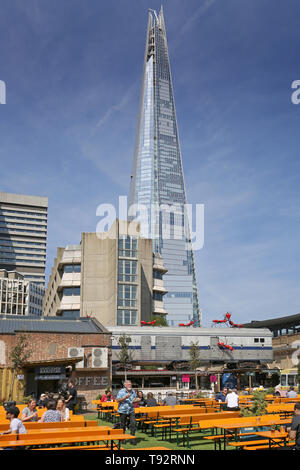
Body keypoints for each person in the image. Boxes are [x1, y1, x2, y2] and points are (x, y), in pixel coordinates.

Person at [116, 380, 140, 445]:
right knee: (123, 425)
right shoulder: (121, 391)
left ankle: (132, 439)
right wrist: (125, 397)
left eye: (130, 384)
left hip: (131, 410)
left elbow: (134, 399)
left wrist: (137, 400)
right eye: (129, 384)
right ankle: (122, 439)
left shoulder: (133, 392)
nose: (130, 385)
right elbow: (117, 400)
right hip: (123, 410)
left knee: (133, 424)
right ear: (125, 385)